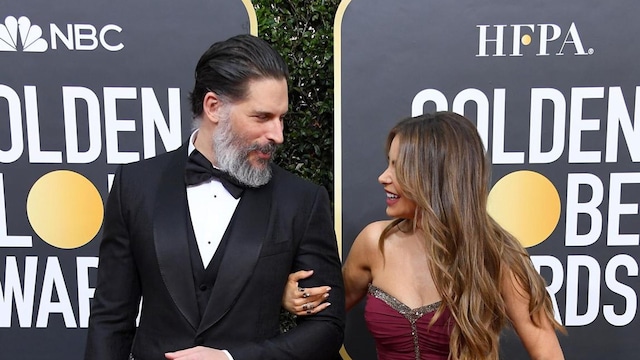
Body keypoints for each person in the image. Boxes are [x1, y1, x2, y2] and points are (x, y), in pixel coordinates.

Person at [84, 34, 345, 360]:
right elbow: (110, 318)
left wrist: (231, 359)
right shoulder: (135, 186)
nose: (277, 135)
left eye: (282, 119)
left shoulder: (301, 201)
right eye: (262, 117)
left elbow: (327, 327)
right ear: (214, 107)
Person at [283, 112, 565, 359]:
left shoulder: (496, 256)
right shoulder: (375, 242)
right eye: (388, 163)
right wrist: (294, 298)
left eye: (398, 167)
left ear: (436, 176)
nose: (383, 176)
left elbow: (547, 353)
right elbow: (326, 312)